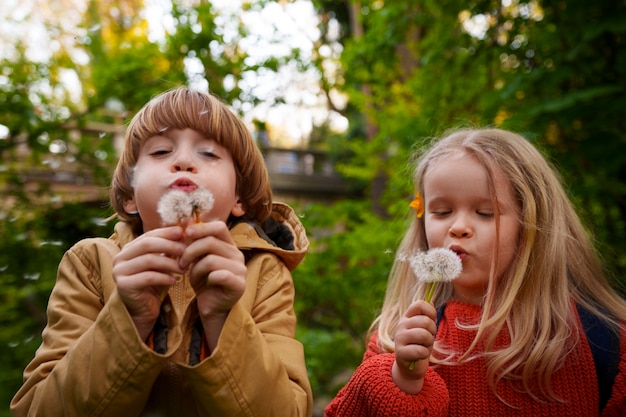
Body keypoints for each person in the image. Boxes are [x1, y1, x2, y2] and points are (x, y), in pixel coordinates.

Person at [11, 87, 313, 417]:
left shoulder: (265, 272)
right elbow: (38, 409)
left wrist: (223, 319)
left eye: (209, 154)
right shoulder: (90, 264)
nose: (183, 161)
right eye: (160, 152)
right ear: (130, 195)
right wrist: (129, 318)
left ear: (239, 198)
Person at [325, 128, 626, 416]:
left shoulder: (601, 339)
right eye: (442, 212)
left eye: (485, 213)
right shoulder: (396, 339)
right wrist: (402, 380)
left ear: (533, 226)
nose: (457, 227)